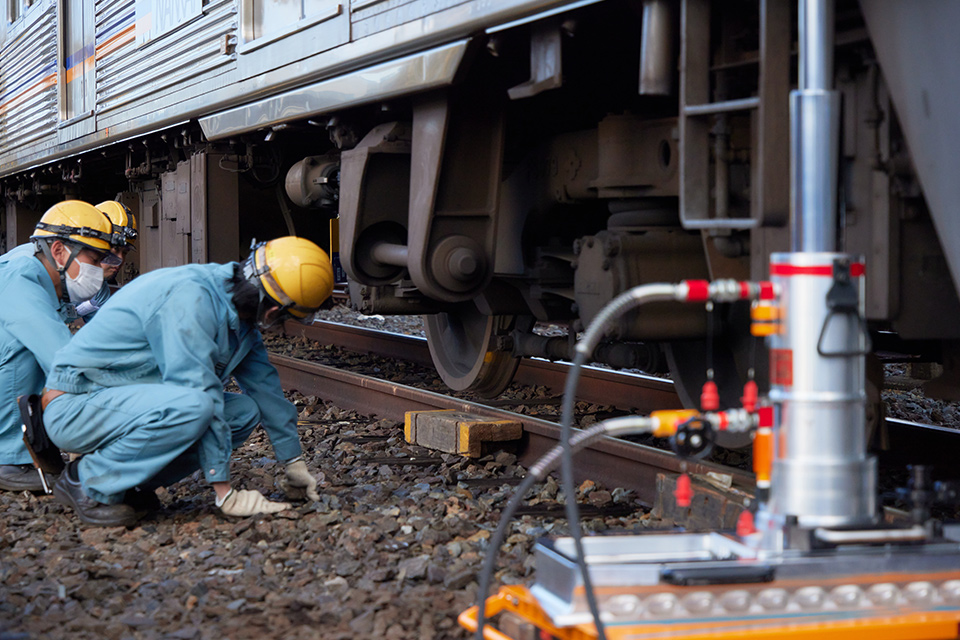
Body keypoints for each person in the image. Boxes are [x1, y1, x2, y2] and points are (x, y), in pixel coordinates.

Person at [42, 236, 334, 526]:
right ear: (272, 311)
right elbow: (198, 392)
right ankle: (86, 480)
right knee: (196, 406)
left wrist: (293, 461)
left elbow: (265, 388)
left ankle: (127, 483)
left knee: (243, 412)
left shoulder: (237, 312)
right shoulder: (191, 299)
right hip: (76, 405)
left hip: (120, 403)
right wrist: (225, 494)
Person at [0, 201, 114, 492]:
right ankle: (7, 459)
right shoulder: (20, 276)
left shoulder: (42, 272)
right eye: (94, 258)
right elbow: (58, 354)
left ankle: (28, 447)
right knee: (25, 348)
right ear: (59, 251)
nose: (101, 269)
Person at [76, 200, 138, 321]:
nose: (120, 259)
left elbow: (101, 331)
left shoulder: (99, 293)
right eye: (115, 249)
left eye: (125, 252)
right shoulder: (38, 272)